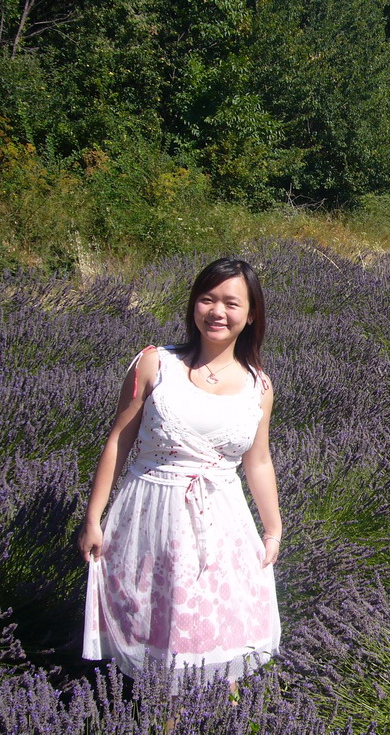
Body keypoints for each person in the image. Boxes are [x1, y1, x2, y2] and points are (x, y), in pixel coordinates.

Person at [78, 258, 281, 688]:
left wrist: (273, 528)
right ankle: (160, 718)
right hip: (150, 516)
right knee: (156, 630)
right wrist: (92, 518)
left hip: (223, 524)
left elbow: (258, 460)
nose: (217, 312)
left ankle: (217, 718)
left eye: (231, 303)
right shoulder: (154, 364)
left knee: (219, 637)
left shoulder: (259, 386)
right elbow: (118, 440)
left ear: (251, 315)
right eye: (207, 299)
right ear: (193, 306)